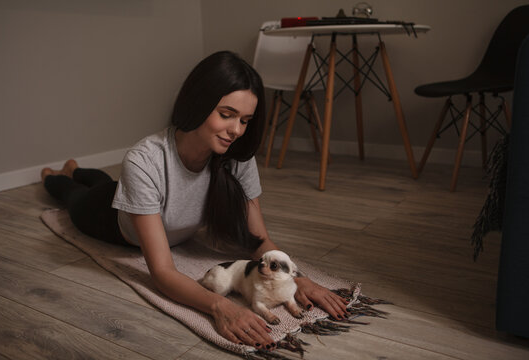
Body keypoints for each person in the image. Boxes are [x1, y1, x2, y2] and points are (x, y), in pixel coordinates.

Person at [41, 51, 348, 351]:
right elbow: (162, 273)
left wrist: (298, 278)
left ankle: (76, 168)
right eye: (226, 115)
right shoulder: (144, 160)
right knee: (74, 195)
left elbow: (259, 239)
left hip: (126, 191)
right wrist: (220, 306)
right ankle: (56, 175)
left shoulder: (237, 157)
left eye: (245, 120)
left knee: (103, 182)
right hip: (104, 217)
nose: (236, 130)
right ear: (198, 104)